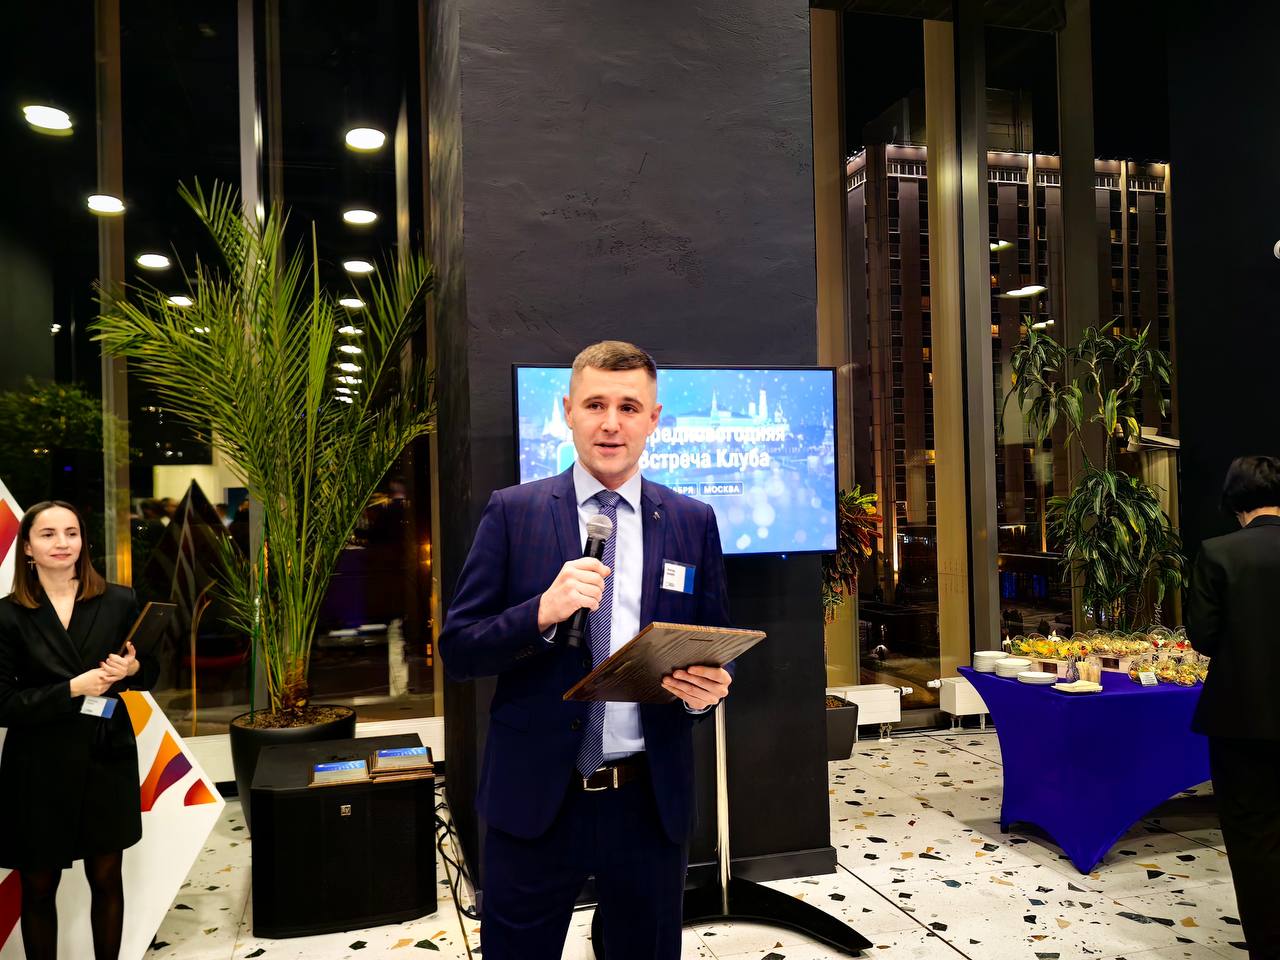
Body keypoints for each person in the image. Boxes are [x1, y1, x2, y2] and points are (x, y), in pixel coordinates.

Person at [440, 341, 734, 960]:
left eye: (629, 407)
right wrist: (541, 613)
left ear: (653, 419)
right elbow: (460, 649)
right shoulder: (513, 512)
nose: (611, 423)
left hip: (647, 801)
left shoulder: (692, 520)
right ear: (567, 412)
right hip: (536, 799)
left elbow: (713, 644)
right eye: (595, 404)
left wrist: (705, 693)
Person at [0, 501, 159, 960]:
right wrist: (71, 688)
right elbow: (2, 704)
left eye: (71, 533)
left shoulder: (119, 600)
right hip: (37, 762)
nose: (62, 543)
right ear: (27, 547)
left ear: (83, 541)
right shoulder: (7, 615)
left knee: (107, 877)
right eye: (48, 534)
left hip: (104, 752)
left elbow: (150, 672)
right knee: (38, 884)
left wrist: (131, 669)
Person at [1187, 455, 1280, 960]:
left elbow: (1203, 637)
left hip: (1242, 718)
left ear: (1235, 501)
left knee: (1252, 838)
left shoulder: (1219, 552)